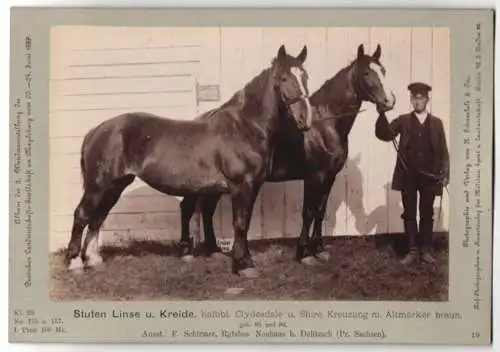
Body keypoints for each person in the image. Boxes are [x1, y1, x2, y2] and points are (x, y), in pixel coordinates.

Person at [375, 82, 449, 265]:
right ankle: (412, 251)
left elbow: (443, 150)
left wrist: (446, 172)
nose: (417, 101)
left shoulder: (437, 123)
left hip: (430, 177)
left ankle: (425, 250)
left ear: (427, 100)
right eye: (414, 98)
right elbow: (384, 134)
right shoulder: (403, 120)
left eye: (421, 98)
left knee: (426, 214)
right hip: (408, 175)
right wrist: (381, 114)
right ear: (411, 100)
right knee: (409, 213)